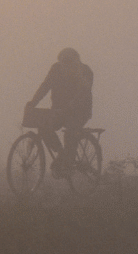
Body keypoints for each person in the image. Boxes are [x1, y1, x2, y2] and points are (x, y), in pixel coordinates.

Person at [26, 47, 94, 176]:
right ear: (60, 61)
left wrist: (70, 106)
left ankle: (68, 162)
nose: (67, 65)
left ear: (77, 60)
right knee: (44, 127)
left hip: (80, 111)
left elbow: (84, 93)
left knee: (70, 133)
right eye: (64, 62)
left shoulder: (86, 71)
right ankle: (61, 154)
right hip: (58, 110)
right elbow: (45, 86)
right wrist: (33, 102)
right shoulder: (56, 69)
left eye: (70, 62)